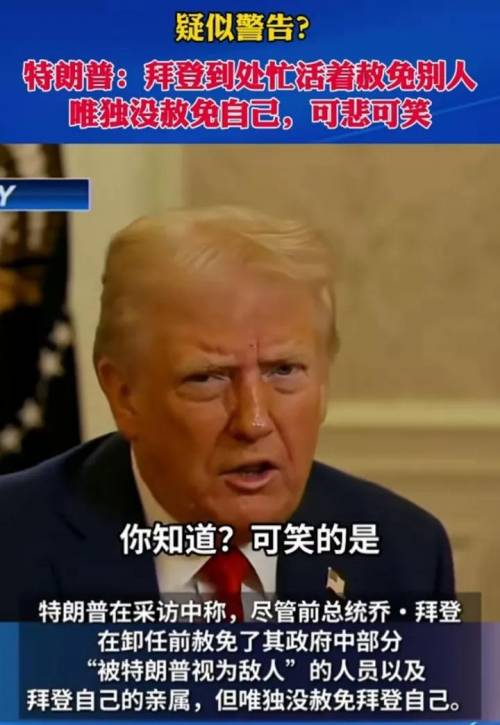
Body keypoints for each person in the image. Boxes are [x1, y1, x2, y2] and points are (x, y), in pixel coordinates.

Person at [0, 206, 454, 619]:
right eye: (207, 377)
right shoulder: (13, 546)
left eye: (284, 370)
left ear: (323, 385)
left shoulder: (405, 555)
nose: (253, 421)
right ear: (125, 395)